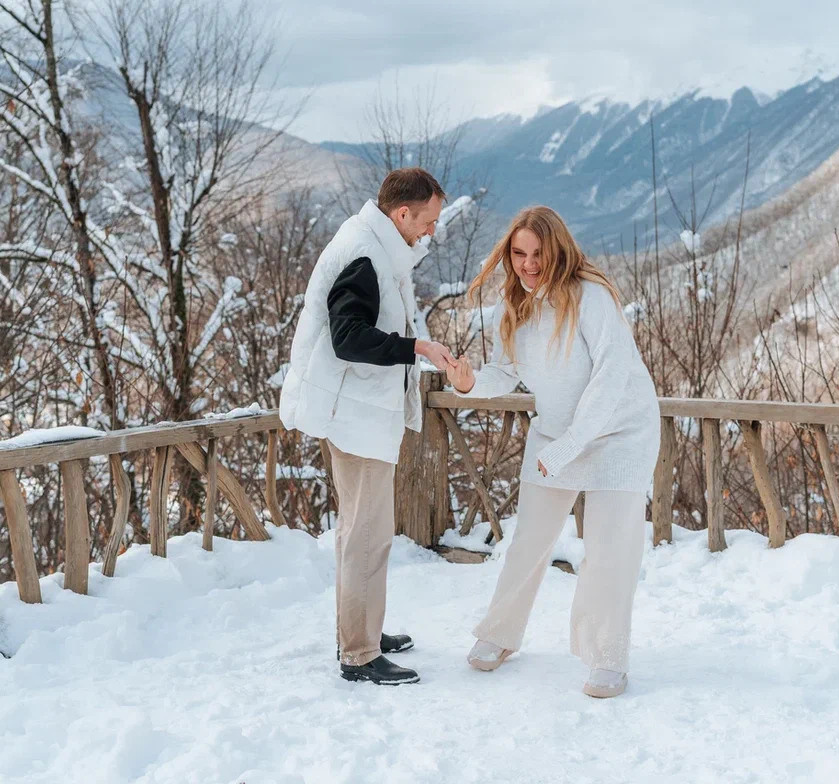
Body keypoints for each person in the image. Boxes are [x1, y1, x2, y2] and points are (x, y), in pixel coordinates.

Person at [445, 205, 660, 699]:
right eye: (519, 253)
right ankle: (499, 634)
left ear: (558, 249)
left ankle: (607, 658)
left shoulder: (592, 297)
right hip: (557, 434)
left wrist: (569, 447)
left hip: (619, 433)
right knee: (530, 540)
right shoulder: (516, 307)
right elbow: (505, 371)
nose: (528, 264)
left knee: (609, 549)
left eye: (537, 253)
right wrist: (469, 382)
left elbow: (609, 380)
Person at [279, 168, 454, 685]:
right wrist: (416, 347)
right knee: (366, 536)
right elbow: (349, 338)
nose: (431, 231)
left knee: (367, 532)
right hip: (354, 417)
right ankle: (358, 652)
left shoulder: (375, 248)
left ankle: (363, 632)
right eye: (428, 221)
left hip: (360, 415)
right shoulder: (364, 255)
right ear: (402, 213)